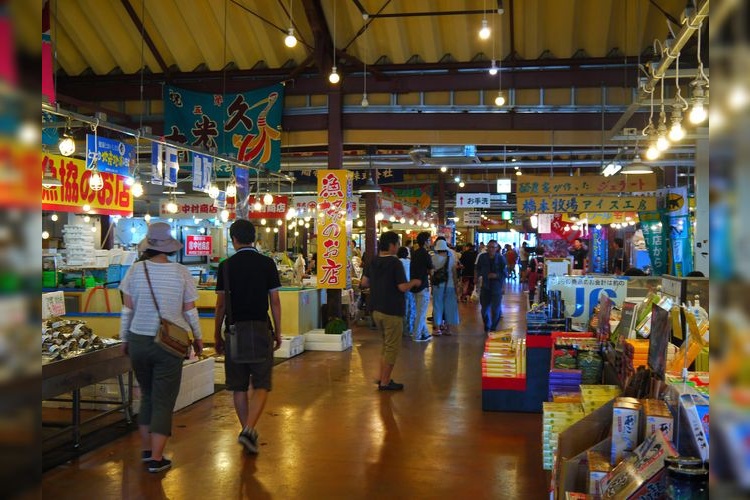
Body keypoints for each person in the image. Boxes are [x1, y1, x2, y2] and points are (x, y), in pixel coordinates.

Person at [119, 222, 204, 473]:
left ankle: (147, 451)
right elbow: (190, 311)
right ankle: (157, 459)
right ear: (168, 247)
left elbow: (127, 310)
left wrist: (125, 338)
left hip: (139, 340)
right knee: (163, 400)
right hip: (169, 343)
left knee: (147, 394)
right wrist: (198, 337)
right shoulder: (181, 273)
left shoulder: (135, 271)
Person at [214, 220, 283, 455]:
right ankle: (249, 430)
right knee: (262, 382)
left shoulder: (225, 266)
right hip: (260, 329)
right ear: (254, 238)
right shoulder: (266, 263)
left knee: (239, 386)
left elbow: (221, 304)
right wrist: (279, 331)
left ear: (234, 239)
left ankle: (246, 429)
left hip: (234, 330)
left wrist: (216, 334)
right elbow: (274, 301)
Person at [361, 232, 422, 391]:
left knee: (386, 345)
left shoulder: (373, 261)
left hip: (376, 309)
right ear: (392, 245)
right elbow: (402, 287)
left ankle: (383, 377)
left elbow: (364, 283)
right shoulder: (395, 264)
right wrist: (414, 282)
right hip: (392, 310)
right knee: (391, 348)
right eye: (398, 243)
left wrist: (379, 284)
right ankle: (385, 382)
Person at [475, 240, 506, 334]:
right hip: (485, 285)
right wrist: (476, 278)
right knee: (484, 309)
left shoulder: (501, 258)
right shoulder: (482, 257)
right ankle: (486, 325)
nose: (491, 249)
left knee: (496, 309)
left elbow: (505, 273)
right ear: (487, 248)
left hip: (497, 286)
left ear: (497, 249)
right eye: (489, 247)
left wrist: (496, 276)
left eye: (494, 247)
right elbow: (477, 268)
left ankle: (493, 328)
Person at [431, 239, 460, 336]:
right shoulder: (451, 258)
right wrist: (456, 285)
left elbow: (431, 273)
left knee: (437, 306)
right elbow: (454, 273)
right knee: (449, 306)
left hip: (438, 285)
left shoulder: (433, 258)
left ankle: (438, 329)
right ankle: (448, 329)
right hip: (450, 285)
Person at [409, 232, 434, 342]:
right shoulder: (426, 254)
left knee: (419, 311)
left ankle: (425, 333)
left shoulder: (414, 253)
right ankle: (417, 335)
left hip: (414, 285)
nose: (430, 242)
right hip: (423, 285)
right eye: (429, 240)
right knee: (421, 313)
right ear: (425, 242)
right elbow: (431, 270)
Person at [397, 246, 416, 337]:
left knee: (401, 308)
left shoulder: (397, 262)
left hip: (399, 288)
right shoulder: (410, 262)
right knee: (410, 308)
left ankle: (401, 329)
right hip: (410, 287)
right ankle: (409, 329)